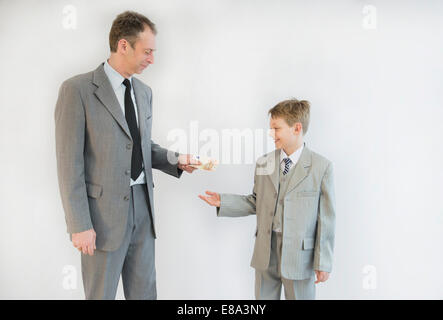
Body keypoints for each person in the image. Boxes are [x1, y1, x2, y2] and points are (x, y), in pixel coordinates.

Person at [55, 11, 199, 299]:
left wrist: (176, 159)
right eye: (147, 51)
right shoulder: (77, 90)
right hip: (100, 218)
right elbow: (68, 164)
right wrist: (79, 225)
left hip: (143, 211)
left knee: (145, 294)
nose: (152, 59)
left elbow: (141, 146)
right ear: (123, 45)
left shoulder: (144, 92)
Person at [199, 99, 336, 300]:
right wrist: (223, 202)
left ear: (296, 128)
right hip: (266, 252)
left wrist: (323, 262)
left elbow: (326, 219)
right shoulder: (264, 163)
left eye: (276, 128)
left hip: (300, 257)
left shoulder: (321, 167)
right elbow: (256, 201)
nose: (271, 134)